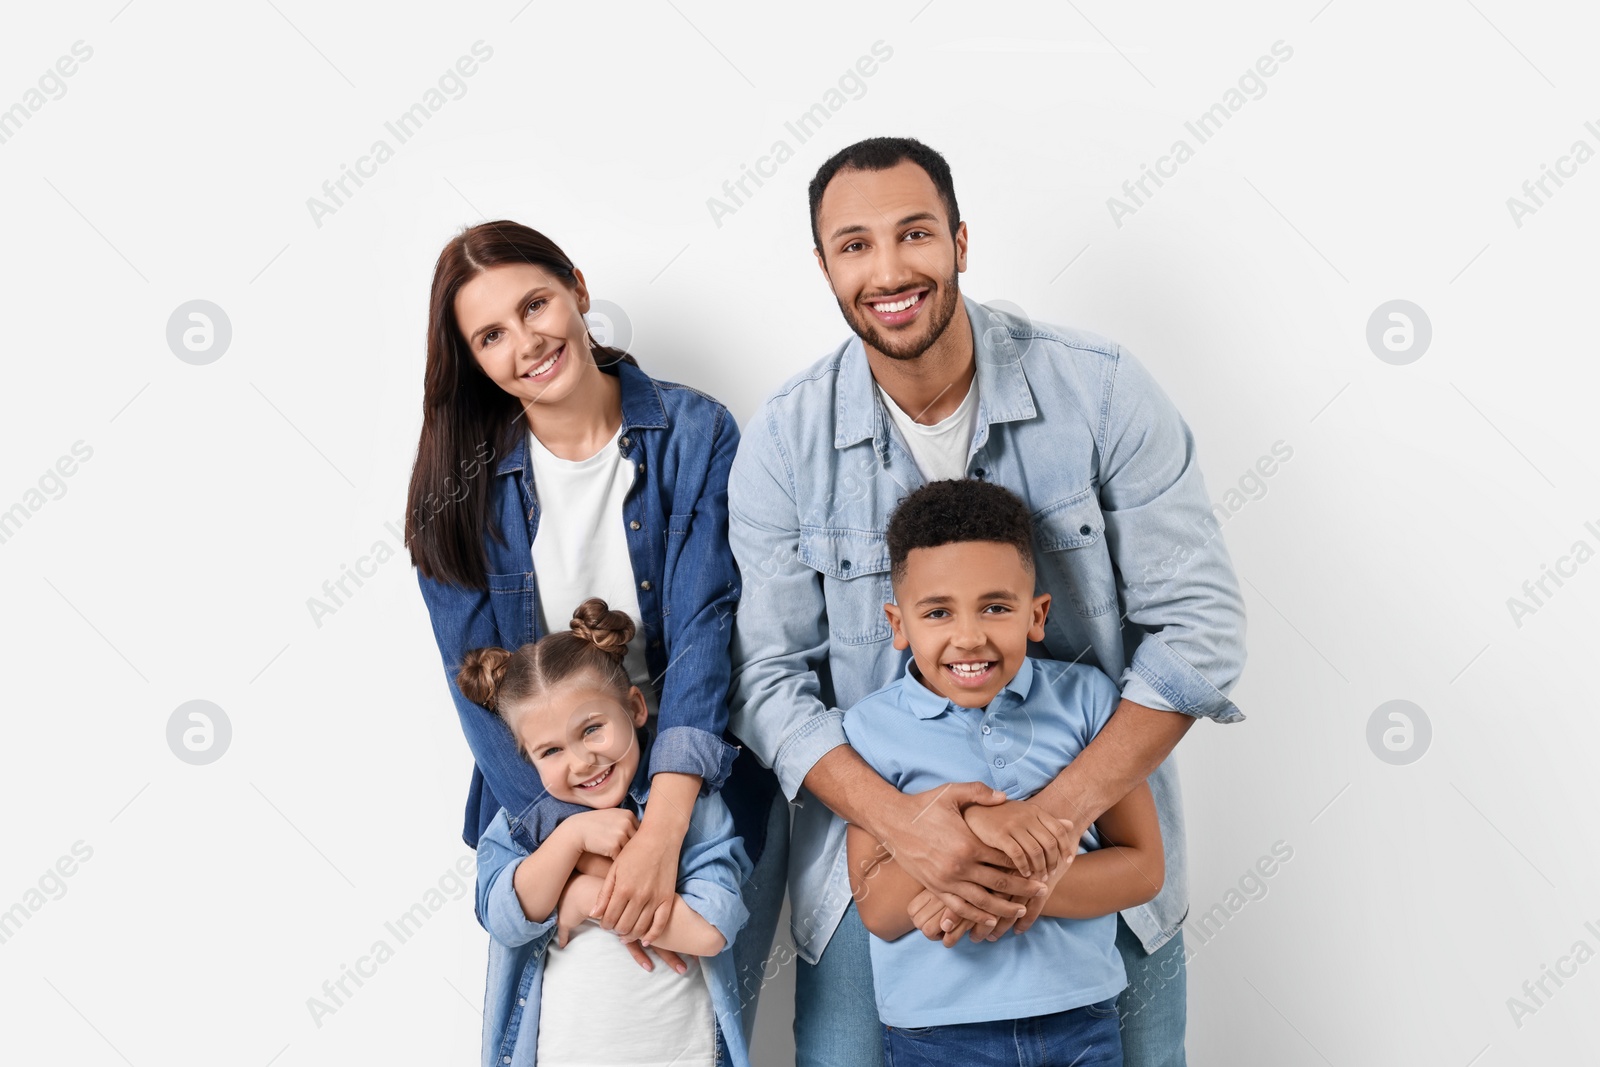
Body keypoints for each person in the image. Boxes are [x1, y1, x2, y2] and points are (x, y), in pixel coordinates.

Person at [727, 136, 1246, 1067]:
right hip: (875, 863)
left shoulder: (1101, 389)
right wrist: (908, 827)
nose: (889, 270)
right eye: (854, 245)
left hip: (1094, 844)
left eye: (914, 233)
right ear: (823, 266)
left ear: (961, 241)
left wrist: (1045, 825)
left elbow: (1200, 629)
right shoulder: (784, 441)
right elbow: (768, 680)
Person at [405, 221, 784, 1045]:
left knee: (699, 1028)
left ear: (577, 289)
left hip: (697, 788)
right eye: (491, 335)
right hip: (545, 805)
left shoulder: (695, 433)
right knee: (561, 1030)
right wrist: (569, 841)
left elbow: (704, 632)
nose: (526, 342)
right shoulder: (458, 489)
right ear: (473, 360)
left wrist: (664, 829)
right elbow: (476, 691)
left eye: (535, 304)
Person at [845, 479, 1163, 1067]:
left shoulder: (1087, 701)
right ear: (898, 623)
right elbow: (879, 910)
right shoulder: (870, 730)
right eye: (937, 612)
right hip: (936, 1034)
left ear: (1037, 614)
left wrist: (1000, 891)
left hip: (1080, 1020)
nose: (969, 637)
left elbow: (1142, 871)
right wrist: (983, 829)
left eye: (996, 607)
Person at [462, 598, 753, 1066]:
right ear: (528, 759)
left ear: (635, 708)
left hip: (683, 1052)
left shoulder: (687, 806)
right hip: (563, 1051)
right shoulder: (521, 825)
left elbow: (711, 931)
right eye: (551, 751)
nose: (580, 761)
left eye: (592, 729)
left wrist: (583, 899)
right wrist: (571, 841)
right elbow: (503, 915)